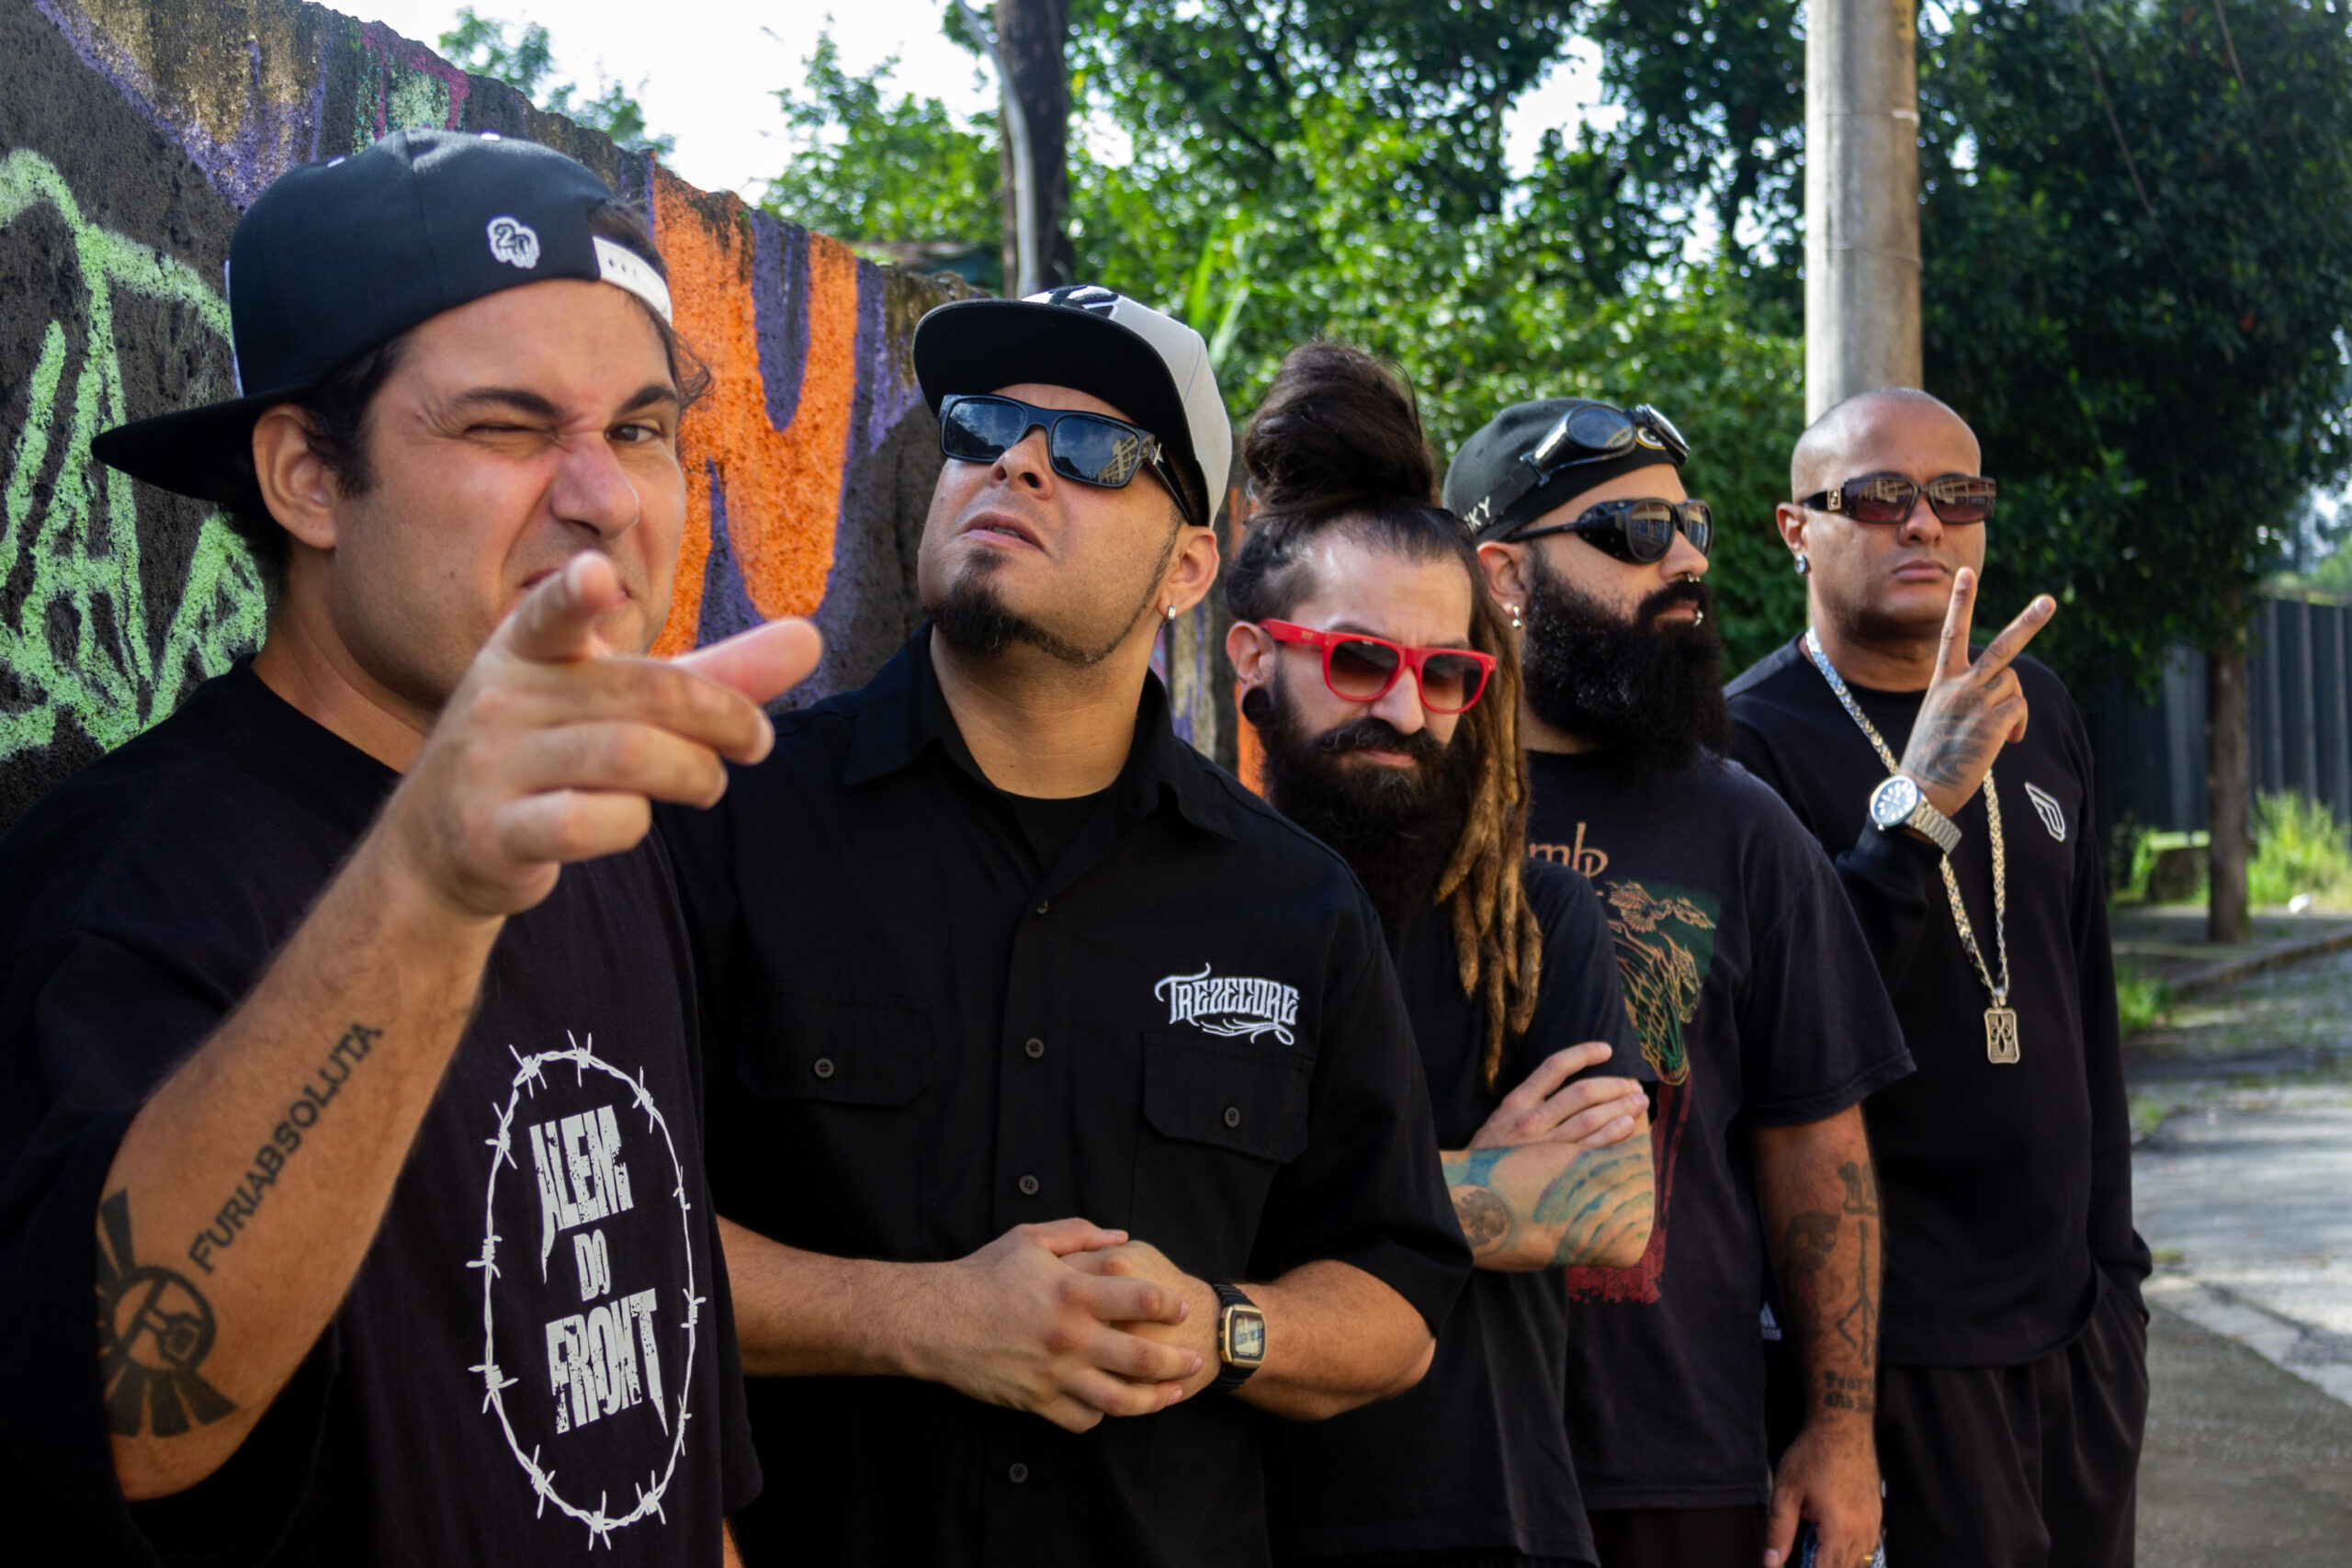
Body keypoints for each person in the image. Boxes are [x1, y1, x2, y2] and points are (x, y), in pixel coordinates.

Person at [0, 131, 798, 1565]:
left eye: (638, 429)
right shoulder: (133, 884)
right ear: (308, 475)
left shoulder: (608, 830)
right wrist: (427, 886)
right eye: (505, 427)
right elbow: (129, 1410)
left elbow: (675, 1441)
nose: (607, 494)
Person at [658, 288, 1470, 1568]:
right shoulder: (728, 822)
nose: (1018, 463)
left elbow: (1399, 1295)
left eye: (1093, 449)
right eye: (985, 428)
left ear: (1188, 568)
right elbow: (602, 1234)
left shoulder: (1295, 904)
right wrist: (920, 1317)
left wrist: (1215, 1327)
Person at [1445, 398, 1916, 1568]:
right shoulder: (1410, 805)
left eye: (1689, 526)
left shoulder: (1743, 829)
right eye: (1633, 532)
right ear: (1503, 574)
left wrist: (1840, 1431)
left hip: (1682, 1465)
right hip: (1425, 1451)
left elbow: (1816, 1152)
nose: (1688, 561)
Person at [1224, 344, 1657, 1568]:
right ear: (1255, 657)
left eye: (1448, 673)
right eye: (1359, 660)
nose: (1406, 710)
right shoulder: (1178, 915)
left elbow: (1608, 1208)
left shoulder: (1534, 921)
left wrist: (1287, 1206)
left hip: (1497, 1524)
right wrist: (1488, 1181)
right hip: (1245, 1528)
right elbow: (1149, 1225)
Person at [1724, 387, 2150, 1568]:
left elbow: (2087, 1013)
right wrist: (1912, 810)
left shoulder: (2037, 708)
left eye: (1957, 495)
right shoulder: (1742, 748)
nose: (1924, 522)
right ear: (1797, 528)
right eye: (1878, 496)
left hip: (2076, 1338)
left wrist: (2118, 1285)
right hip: (1892, 1356)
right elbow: (1783, 1041)